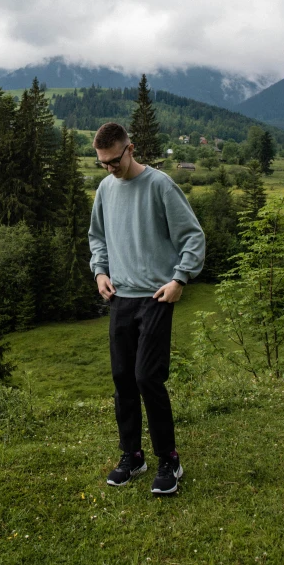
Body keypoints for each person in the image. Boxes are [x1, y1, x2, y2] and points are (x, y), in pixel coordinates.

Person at [88, 122, 205, 494]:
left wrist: (180, 279)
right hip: (119, 297)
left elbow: (192, 236)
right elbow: (97, 237)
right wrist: (100, 271)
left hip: (156, 296)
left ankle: (169, 460)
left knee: (146, 378)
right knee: (122, 377)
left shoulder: (160, 185)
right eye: (102, 163)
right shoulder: (105, 189)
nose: (109, 168)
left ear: (130, 149)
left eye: (113, 160)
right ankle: (132, 455)